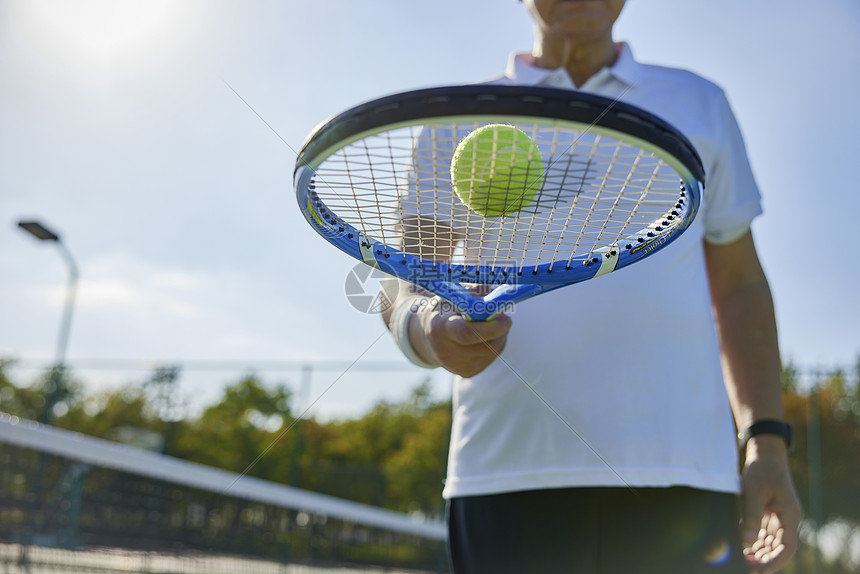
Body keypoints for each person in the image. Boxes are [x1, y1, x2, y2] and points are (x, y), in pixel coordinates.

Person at [382, 1, 802, 572]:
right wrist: (427, 327)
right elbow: (407, 278)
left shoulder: (700, 102)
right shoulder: (452, 118)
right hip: (504, 480)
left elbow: (740, 288)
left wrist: (766, 444)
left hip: (687, 485)